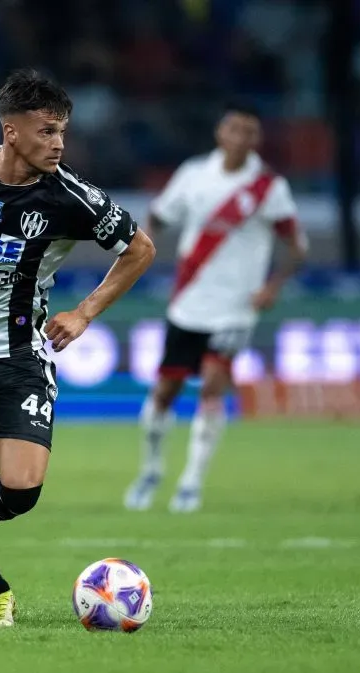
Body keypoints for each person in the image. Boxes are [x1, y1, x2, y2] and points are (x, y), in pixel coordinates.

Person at [0, 69, 156, 627]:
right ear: (11, 132)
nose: (58, 143)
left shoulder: (70, 198)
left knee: (21, 488)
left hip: (16, 358)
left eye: (62, 131)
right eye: (46, 131)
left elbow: (140, 250)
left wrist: (85, 311)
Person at [123, 102, 307, 514]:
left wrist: (273, 286)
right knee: (165, 391)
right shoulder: (193, 175)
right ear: (220, 134)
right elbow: (157, 217)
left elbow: (297, 245)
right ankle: (151, 469)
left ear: (256, 139)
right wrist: (138, 259)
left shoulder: (267, 186)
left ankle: (190, 482)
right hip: (188, 302)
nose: (241, 137)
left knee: (211, 386)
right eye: (234, 129)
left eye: (249, 131)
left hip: (235, 308)